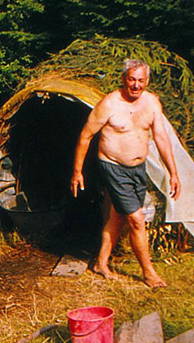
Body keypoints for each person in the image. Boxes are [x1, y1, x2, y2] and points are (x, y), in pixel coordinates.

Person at [70, 59, 181, 287]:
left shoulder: (151, 103)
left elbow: (160, 138)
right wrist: (77, 171)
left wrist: (173, 173)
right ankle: (149, 272)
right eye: (132, 79)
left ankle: (101, 263)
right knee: (137, 220)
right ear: (124, 79)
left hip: (138, 169)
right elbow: (85, 136)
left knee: (118, 216)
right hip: (113, 167)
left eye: (141, 80)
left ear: (147, 81)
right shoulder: (109, 104)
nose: (136, 85)